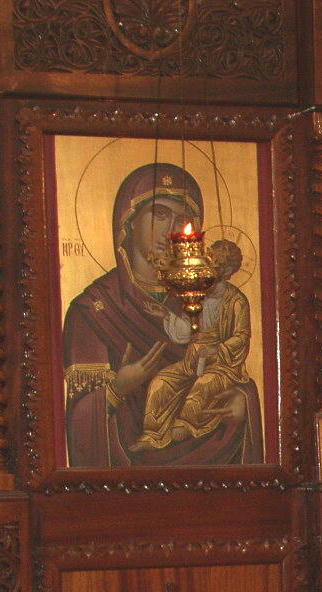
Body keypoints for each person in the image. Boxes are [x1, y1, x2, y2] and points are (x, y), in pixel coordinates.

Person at [62, 162, 262, 468]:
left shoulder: (205, 296)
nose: (171, 230)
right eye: (159, 213)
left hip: (213, 470)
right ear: (128, 221)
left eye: (181, 219)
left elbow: (231, 367)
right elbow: (80, 418)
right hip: (121, 483)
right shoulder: (94, 309)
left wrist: (241, 402)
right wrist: (118, 388)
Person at [133, 239, 252, 452]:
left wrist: (218, 349)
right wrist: (166, 315)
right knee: (162, 381)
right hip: (193, 360)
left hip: (222, 365)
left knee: (205, 384)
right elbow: (187, 330)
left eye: (217, 265)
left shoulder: (236, 301)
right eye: (209, 263)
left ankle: (187, 425)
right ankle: (153, 434)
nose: (211, 269)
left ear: (227, 271)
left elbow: (241, 336)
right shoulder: (199, 295)